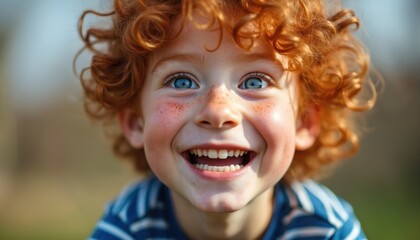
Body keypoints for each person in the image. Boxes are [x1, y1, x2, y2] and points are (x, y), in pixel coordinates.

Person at [78, 0, 377, 239]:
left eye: (255, 82)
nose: (218, 111)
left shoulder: (328, 231)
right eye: (182, 81)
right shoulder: (126, 228)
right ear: (135, 123)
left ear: (304, 123)